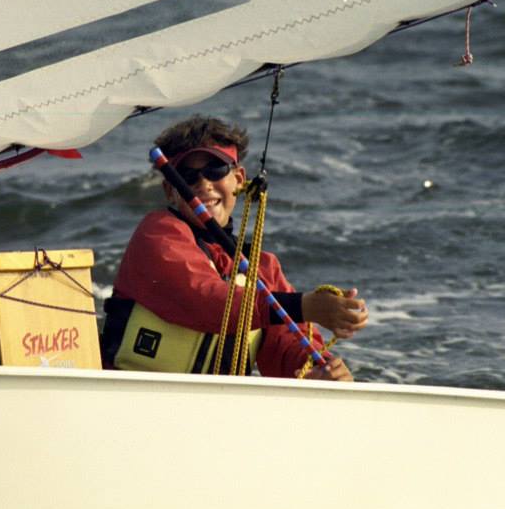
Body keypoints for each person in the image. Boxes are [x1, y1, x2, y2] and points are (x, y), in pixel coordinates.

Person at [101, 115, 367, 380]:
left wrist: (321, 370)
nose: (204, 184)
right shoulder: (158, 233)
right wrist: (303, 306)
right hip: (132, 393)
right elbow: (206, 300)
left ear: (239, 179)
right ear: (170, 191)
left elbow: (286, 348)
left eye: (215, 170)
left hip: (219, 401)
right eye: (187, 177)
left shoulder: (263, 268)